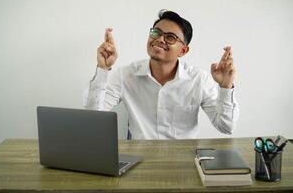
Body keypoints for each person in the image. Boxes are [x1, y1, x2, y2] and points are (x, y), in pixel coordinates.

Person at [83, 10, 239, 139]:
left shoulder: (198, 79)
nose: (159, 39)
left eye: (170, 37)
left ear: (183, 51)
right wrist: (102, 69)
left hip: (184, 161)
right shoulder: (126, 75)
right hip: (139, 160)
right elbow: (92, 118)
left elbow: (226, 127)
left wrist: (225, 87)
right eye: (156, 32)